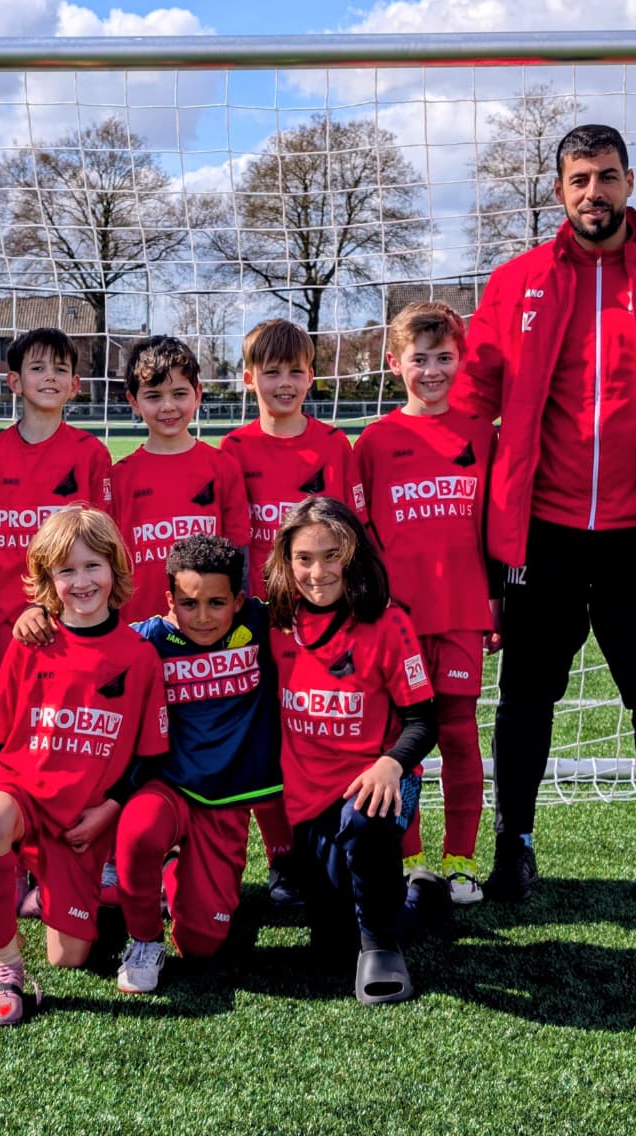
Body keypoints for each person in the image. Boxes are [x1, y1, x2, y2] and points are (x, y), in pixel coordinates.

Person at [453, 123, 636, 909]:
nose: (595, 192)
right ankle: (514, 848)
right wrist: (444, 492)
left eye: (608, 176)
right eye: (580, 179)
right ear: (560, 191)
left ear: (630, 183)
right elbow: (473, 398)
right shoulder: (515, 282)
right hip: (542, 533)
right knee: (526, 696)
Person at [16, 535, 281, 994]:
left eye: (217, 603)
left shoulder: (260, 624)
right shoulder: (146, 640)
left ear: (238, 601)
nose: (203, 616)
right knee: (139, 829)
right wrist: (40, 615)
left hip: (226, 800)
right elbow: (87, 638)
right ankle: (144, 939)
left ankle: (170, 873)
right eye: (189, 603)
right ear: (169, 601)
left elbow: (316, 601)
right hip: (167, 788)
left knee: (201, 945)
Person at [0, 506, 168, 1026]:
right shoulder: (31, 643)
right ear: (48, 580)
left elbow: (150, 755)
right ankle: (4, 969)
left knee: (69, 956)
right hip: (24, 794)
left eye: (92, 566)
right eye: (67, 570)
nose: (82, 582)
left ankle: (49, 888)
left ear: (115, 569)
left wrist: (108, 812)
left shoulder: (139, 656)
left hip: (81, 820)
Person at [267, 496, 446, 1005]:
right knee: (332, 947)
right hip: (308, 802)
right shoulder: (275, 625)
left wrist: (390, 764)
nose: (317, 572)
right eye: (304, 558)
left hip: (376, 788)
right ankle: (422, 899)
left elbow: (424, 720)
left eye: (332, 556)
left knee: (365, 822)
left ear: (353, 555)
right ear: (286, 562)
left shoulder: (388, 623)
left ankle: (381, 949)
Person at [354, 301, 498, 905]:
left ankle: (460, 860)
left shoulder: (481, 434)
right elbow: (360, 533)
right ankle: (409, 858)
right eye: (419, 359)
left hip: (462, 613)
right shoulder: (374, 441)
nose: (432, 371)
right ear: (395, 363)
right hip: (400, 622)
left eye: (444, 358)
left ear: (461, 361)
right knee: (400, 740)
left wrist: (496, 600)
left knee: (460, 736)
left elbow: (497, 525)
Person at [219, 318, 364, 908]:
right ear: (248, 378)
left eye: (295, 371)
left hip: (323, 617)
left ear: (312, 376)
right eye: (271, 371)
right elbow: (232, 539)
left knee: (312, 735)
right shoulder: (233, 449)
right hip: (258, 619)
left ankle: (325, 844)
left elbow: (354, 533)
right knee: (263, 738)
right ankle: (282, 857)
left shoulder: (333, 445)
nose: (284, 383)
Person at [0, 326, 113, 681]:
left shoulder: (91, 454)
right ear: (15, 382)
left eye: (60, 368)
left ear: (75, 385)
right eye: (38, 368)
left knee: (73, 713)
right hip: (5, 624)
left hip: (75, 616)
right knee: (11, 717)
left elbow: (105, 548)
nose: (50, 376)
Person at [111, 336, 249, 624]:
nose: (168, 406)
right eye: (153, 396)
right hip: (140, 626)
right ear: (134, 402)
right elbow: (109, 560)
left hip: (208, 625)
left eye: (179, 394)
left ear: (197, 394)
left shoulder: (223, 467)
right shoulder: (120, 476)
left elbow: (238, 553)